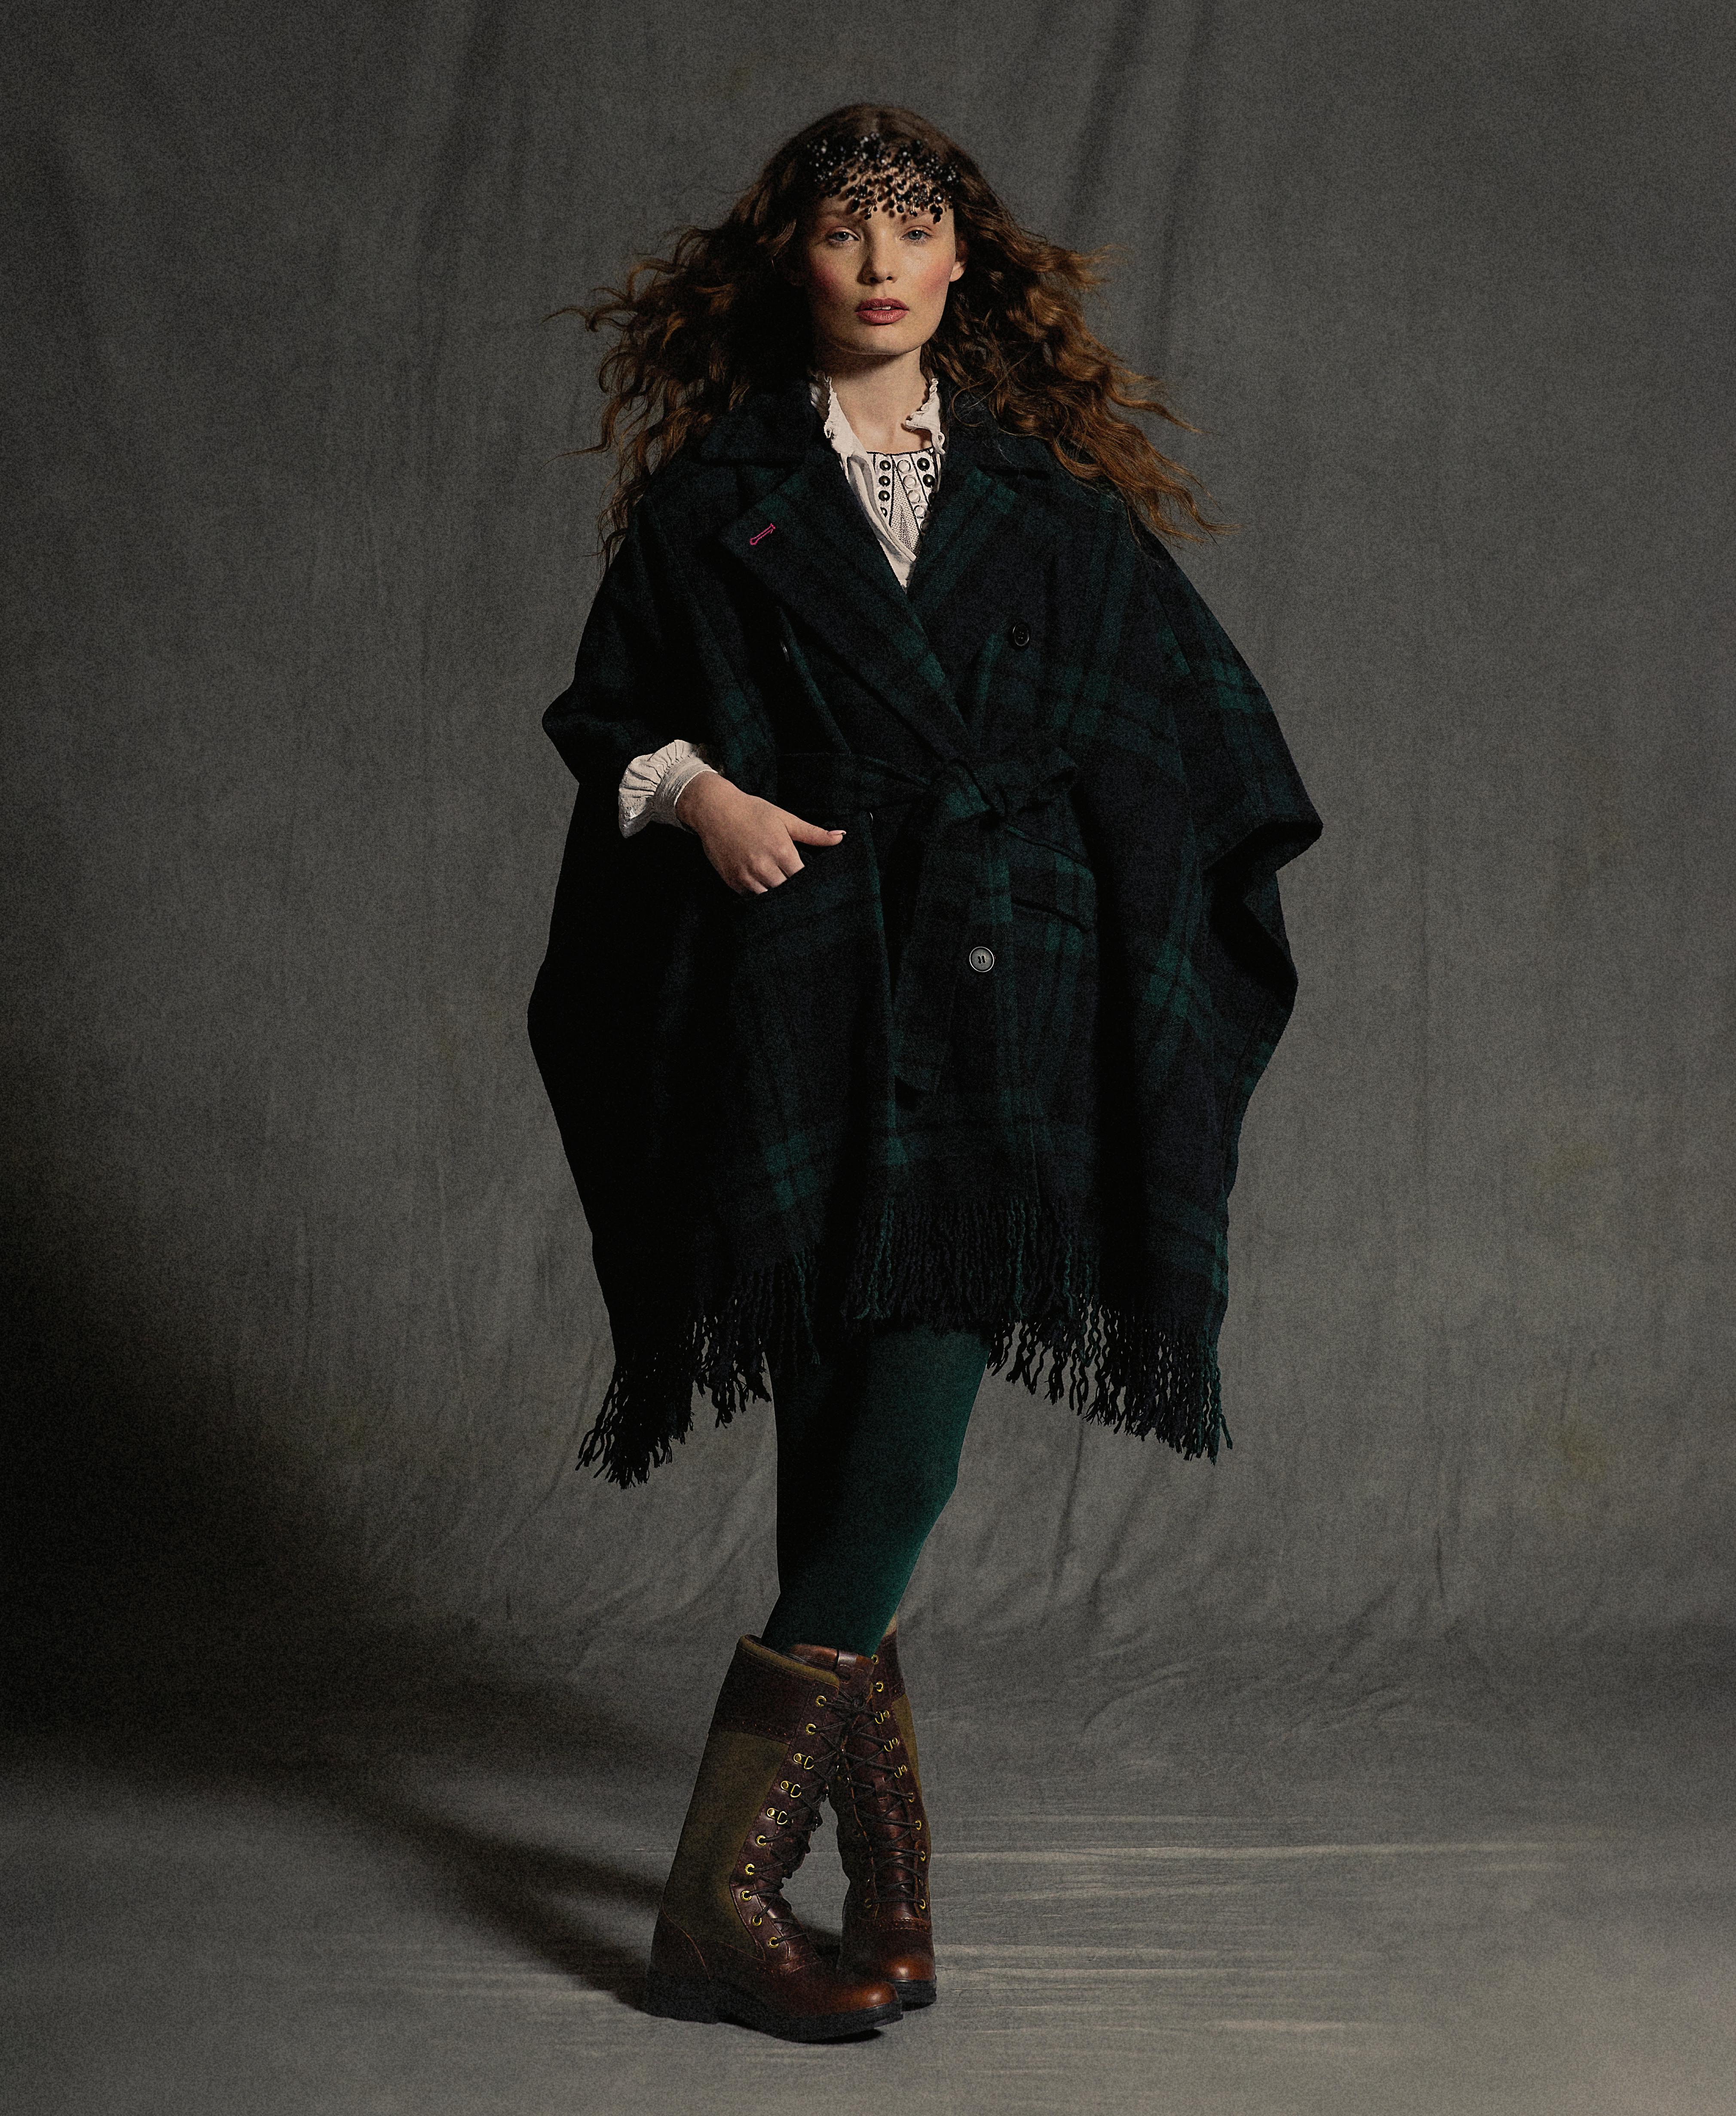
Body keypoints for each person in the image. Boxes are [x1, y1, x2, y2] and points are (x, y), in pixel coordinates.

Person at [528, 104, 1320, 2043]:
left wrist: (1073, 891)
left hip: (995, 1005)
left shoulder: (1054, 509)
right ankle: (886, 1901)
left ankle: (716, 1899)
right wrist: (698, 794)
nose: (880, 261)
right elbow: (608, 714)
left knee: (897, 1446)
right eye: (841, 227)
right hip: (796, 993)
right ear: (788, 259)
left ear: (967, 259)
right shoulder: (717, 496)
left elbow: (1190, 742)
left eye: (914, 225)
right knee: (835, 1452)